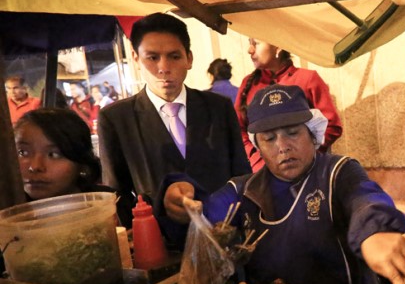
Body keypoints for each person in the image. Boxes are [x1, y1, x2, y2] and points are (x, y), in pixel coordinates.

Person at [163, 84, 405, 284]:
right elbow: (199, 218)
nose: (283, 146)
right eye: (269, 139)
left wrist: (375, 232)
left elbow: (364, 200)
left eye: (293, 133)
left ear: (312, 134)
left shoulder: (337, 172)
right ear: (257, 146)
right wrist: (178, 202)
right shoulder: (243, 191)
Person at [98, 13, 249, 227]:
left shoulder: (219, 107)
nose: (164, 67)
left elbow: (242, 176)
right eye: (152, 57)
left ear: (189, 58)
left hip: (224, 235)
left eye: (174, 56)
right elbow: (118, 196)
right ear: (135, 58)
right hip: (161, 247)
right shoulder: (116, 119)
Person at [235, 38, 343, 171]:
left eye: (256, 43)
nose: (250, 50)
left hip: (307, 173)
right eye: (249, 43)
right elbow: (238, 129)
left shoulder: (307, 78)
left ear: (278, 47)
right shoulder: (248, 84)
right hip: (264, 174)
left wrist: (305, 155)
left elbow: (332, 125)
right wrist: (257, 159)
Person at [13, 109, 128, 222]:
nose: (35, 166)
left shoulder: (112, 205)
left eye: (53, 154)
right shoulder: (9, 213)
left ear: (82, 163)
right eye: (23, 152)